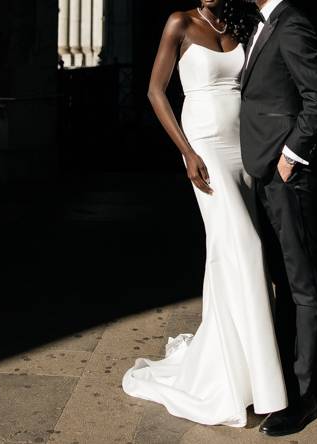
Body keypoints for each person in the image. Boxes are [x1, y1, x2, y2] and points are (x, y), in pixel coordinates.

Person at [121, 0, 289, 429]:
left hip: (243, 147)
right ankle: (268, 388)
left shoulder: (238, 22)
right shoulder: (179, 22)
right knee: (246, 249)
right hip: (205, 147)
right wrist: (187, 152)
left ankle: (236, 366)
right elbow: (155, 92)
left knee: (228, 256)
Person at [240, 0, 317, 436]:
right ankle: (281, 386)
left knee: (302, 285)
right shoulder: (260, 24)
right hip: (263, 174)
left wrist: (290, 158)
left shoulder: (292, 24)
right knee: (280, 281)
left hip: (285, 176)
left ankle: (304, 396)